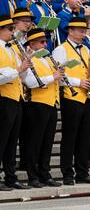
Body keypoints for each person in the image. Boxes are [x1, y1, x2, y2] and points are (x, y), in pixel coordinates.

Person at [52, 17, 90, 185]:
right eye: (80, 31)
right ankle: (67, 172)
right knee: (70, 136)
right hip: (71, 97)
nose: (83, 33)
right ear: (70, 31)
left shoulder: (86, 49)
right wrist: (78, 82)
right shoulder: (61, 50)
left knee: (85, 136)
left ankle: (83, 172)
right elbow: (59, 76)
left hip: (88, 97)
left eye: (84, 30)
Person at [20, 29, 63, 187]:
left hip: (51, 103)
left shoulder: (47, 58)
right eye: (42, 42)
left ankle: (45, 172)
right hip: (36, 104)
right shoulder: (28, 58)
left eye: (46, 41)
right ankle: (33, 175)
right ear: (31, 44)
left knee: (47, 142)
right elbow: (30, 82)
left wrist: (59, 73)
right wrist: (54, 77)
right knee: (35, 142)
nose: (46, 44)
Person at [0, 14, 31, 190]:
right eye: (10, 29)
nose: (13, 33)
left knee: (12, 142)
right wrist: (18, 69)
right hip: (3, 99)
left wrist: (25, 64)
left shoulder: (12, 49)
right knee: (2, 140)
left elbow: (22, 76)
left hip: (16, 97)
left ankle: (11, 177)